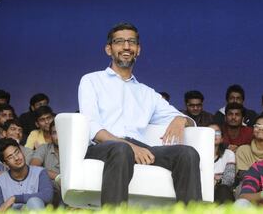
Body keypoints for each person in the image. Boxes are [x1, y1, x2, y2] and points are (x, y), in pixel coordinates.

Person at [78, 22, 201, 205]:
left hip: (138, 148)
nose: (126, 46)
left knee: (187, 154)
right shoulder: (91, 80)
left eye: (132, 42)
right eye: (119, 42)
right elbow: (92, 127)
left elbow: (188, 120)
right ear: (108, 49)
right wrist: (128, 145)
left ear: (138, 50)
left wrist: (180, 119)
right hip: (103, 147)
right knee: (122, 149)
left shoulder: (147, 93)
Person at [0, 138, 53, 211]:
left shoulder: (40, 172)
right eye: (10, 157)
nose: (16, 158)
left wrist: (15, 198)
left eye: (17, 152)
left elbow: (47, 196)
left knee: (34, 202)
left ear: (22, 151)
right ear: (5, 164)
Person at [30, 121, 62, 206]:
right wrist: (58, 177)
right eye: (55, 133)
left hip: (70, 191)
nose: (59, 136)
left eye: (61, 132)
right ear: (51, 136)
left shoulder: (75, 149)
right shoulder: (44, 148)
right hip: (49, 191)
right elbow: (33, 167)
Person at [235, 115, 263, 180]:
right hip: (248, 185)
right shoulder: (243, 150)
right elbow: (243, 174)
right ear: (253, 129)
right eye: (257, 125)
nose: (261, 128)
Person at [208, 123, 235, 203]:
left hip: (220, 192)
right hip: (201, 190)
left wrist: (217, 181)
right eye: (210, 132)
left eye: (217, 132)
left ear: (222, 138)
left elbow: (229, 180)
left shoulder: (228, 154)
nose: (213, 135)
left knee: (223, 189)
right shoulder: (196, 154)